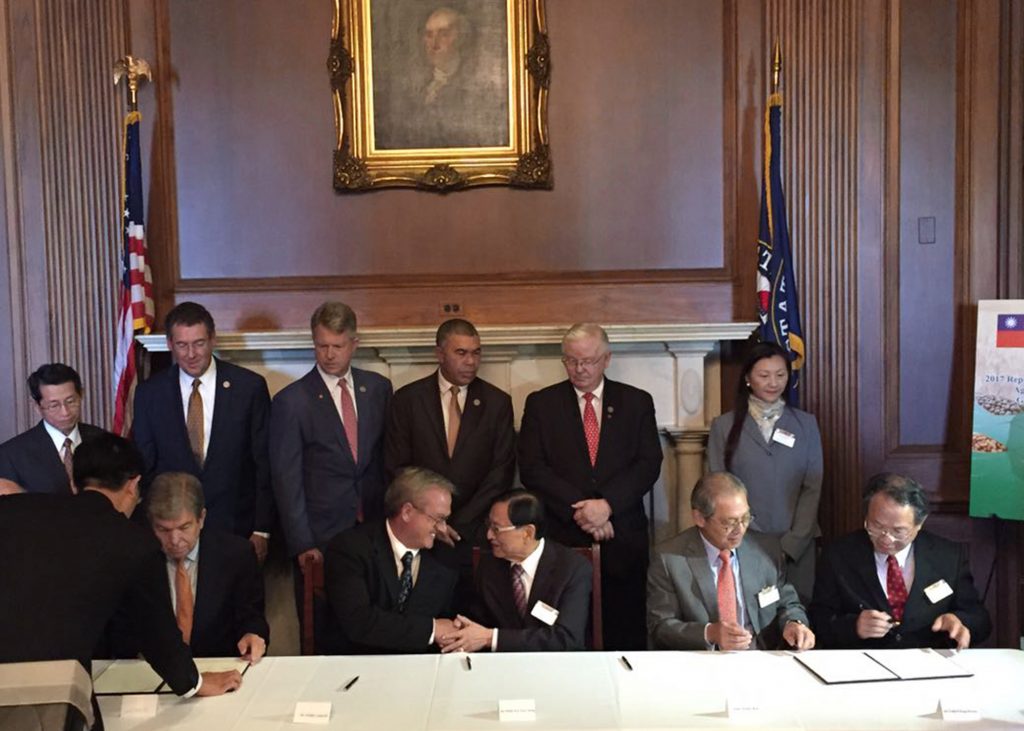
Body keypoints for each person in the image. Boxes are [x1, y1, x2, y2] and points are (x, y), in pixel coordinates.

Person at [0, 433, 241, 727]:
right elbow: (155, 631)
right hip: (51, 694)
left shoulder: (14, 510)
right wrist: (193, 683)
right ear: (133, 485)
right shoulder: (132, 542)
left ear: (75, 483)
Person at [518, 323, 663, 650]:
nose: (579, 369)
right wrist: (584, 512)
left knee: (624, 632)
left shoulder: (636, 402)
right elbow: (532, 468)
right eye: (571, 361)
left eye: (588, 361)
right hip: (563, 535)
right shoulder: (542, 404)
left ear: (607, 359)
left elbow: (648, 464)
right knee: (564, 631)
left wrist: (607, 506)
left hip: (622, 535)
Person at [270, 301, 392, 646]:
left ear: (354, 343)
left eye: (337, 346)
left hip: (372, 531)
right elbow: (286, 478)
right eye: (321, 345)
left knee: (375, 628)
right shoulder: (291, 401)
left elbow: (385, 460)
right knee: (323, 633)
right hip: (321, 538)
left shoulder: (378, 389)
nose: (329, 354)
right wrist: (302, 542)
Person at [384, 318, 515, 610]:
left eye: (476, 353)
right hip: (421, 530)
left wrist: (460, 522)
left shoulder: (497, 402)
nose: (471, 361)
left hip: (476, 531)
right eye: (461, 353)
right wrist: (434, 520)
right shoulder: (408, 400)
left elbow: (501, 471)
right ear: (439, 353)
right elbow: (398, 466)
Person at [132, 302, 274, 562]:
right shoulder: (149, 394)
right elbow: (145, 465)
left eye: (198, 343)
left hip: (236, 529)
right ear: (169, 344)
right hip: (173, 532)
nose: (191, 354)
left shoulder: (248, 388)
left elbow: (264, 463)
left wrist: (261, 529)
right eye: (182, 345)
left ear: (212, 340)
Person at [810, 473, 991, 650]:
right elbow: (818, 620)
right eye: (876, 526)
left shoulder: (948, 556)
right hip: (864, 666)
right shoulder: (839, 555)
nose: (886, 539)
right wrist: (853, 626)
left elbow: (980, 618)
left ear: (919, 524)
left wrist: (960, 621)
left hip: (928, 664)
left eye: (898, 531)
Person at [108, 472, 269, 662]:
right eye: (164, 530)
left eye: (184, 528)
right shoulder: (135, 558)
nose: (175, 540)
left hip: (219, 668)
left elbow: (251, 616)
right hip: (152, 671)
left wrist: (253, 635)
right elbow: (121, 628)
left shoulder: (236, 555)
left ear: (201, 518)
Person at [707, 341, 823, 601]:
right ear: (748, 378)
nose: (773, 382)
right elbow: (718, 486)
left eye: (780, 375)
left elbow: (812, 486)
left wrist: (795, 540)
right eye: (764, 375)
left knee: (797, 614)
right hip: (744, 541)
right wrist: (749, 537)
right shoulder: (724, 426)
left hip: (798, 546)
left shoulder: (806, 424)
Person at [647, 472, 815, 651]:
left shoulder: (766, 550)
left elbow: (787, 603)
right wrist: (709, 633)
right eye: (730, 522)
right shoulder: (669, 559)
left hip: (760, 659)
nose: (740, 529)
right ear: (699, 518)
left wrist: (794, 623)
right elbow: (660, 626)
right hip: (702, 664)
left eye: (745, 518)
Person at [323, 467, 458, 654]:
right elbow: (359, 622)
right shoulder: (350, 548)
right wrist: (432, 629)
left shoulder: (445, 558)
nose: (443, 528)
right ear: (407, 512)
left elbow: (453, 623)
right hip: (358, 666)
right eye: (438, 519)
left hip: (420, 670)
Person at [438, 490, 592, 653]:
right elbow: (480, 622)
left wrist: (492, 638)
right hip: (502, 665)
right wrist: (463, 629)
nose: (489, 535)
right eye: (489, 526)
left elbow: (567, 639)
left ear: (527, 533)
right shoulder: (489, 564)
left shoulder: (572, 568)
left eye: (497, 529)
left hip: (555, 666)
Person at [374, 5, 508, 150]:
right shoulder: (416, 88)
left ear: (462, 38)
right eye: (429, 35)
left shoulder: (476, 89)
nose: (434, 44)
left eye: (444, 34)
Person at [0, 363, 106, 494]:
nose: (65, 412)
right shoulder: (12, 455)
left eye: (71, 401)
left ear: (81, 395)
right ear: (37, 407)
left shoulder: (103, 440)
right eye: (54, 405)